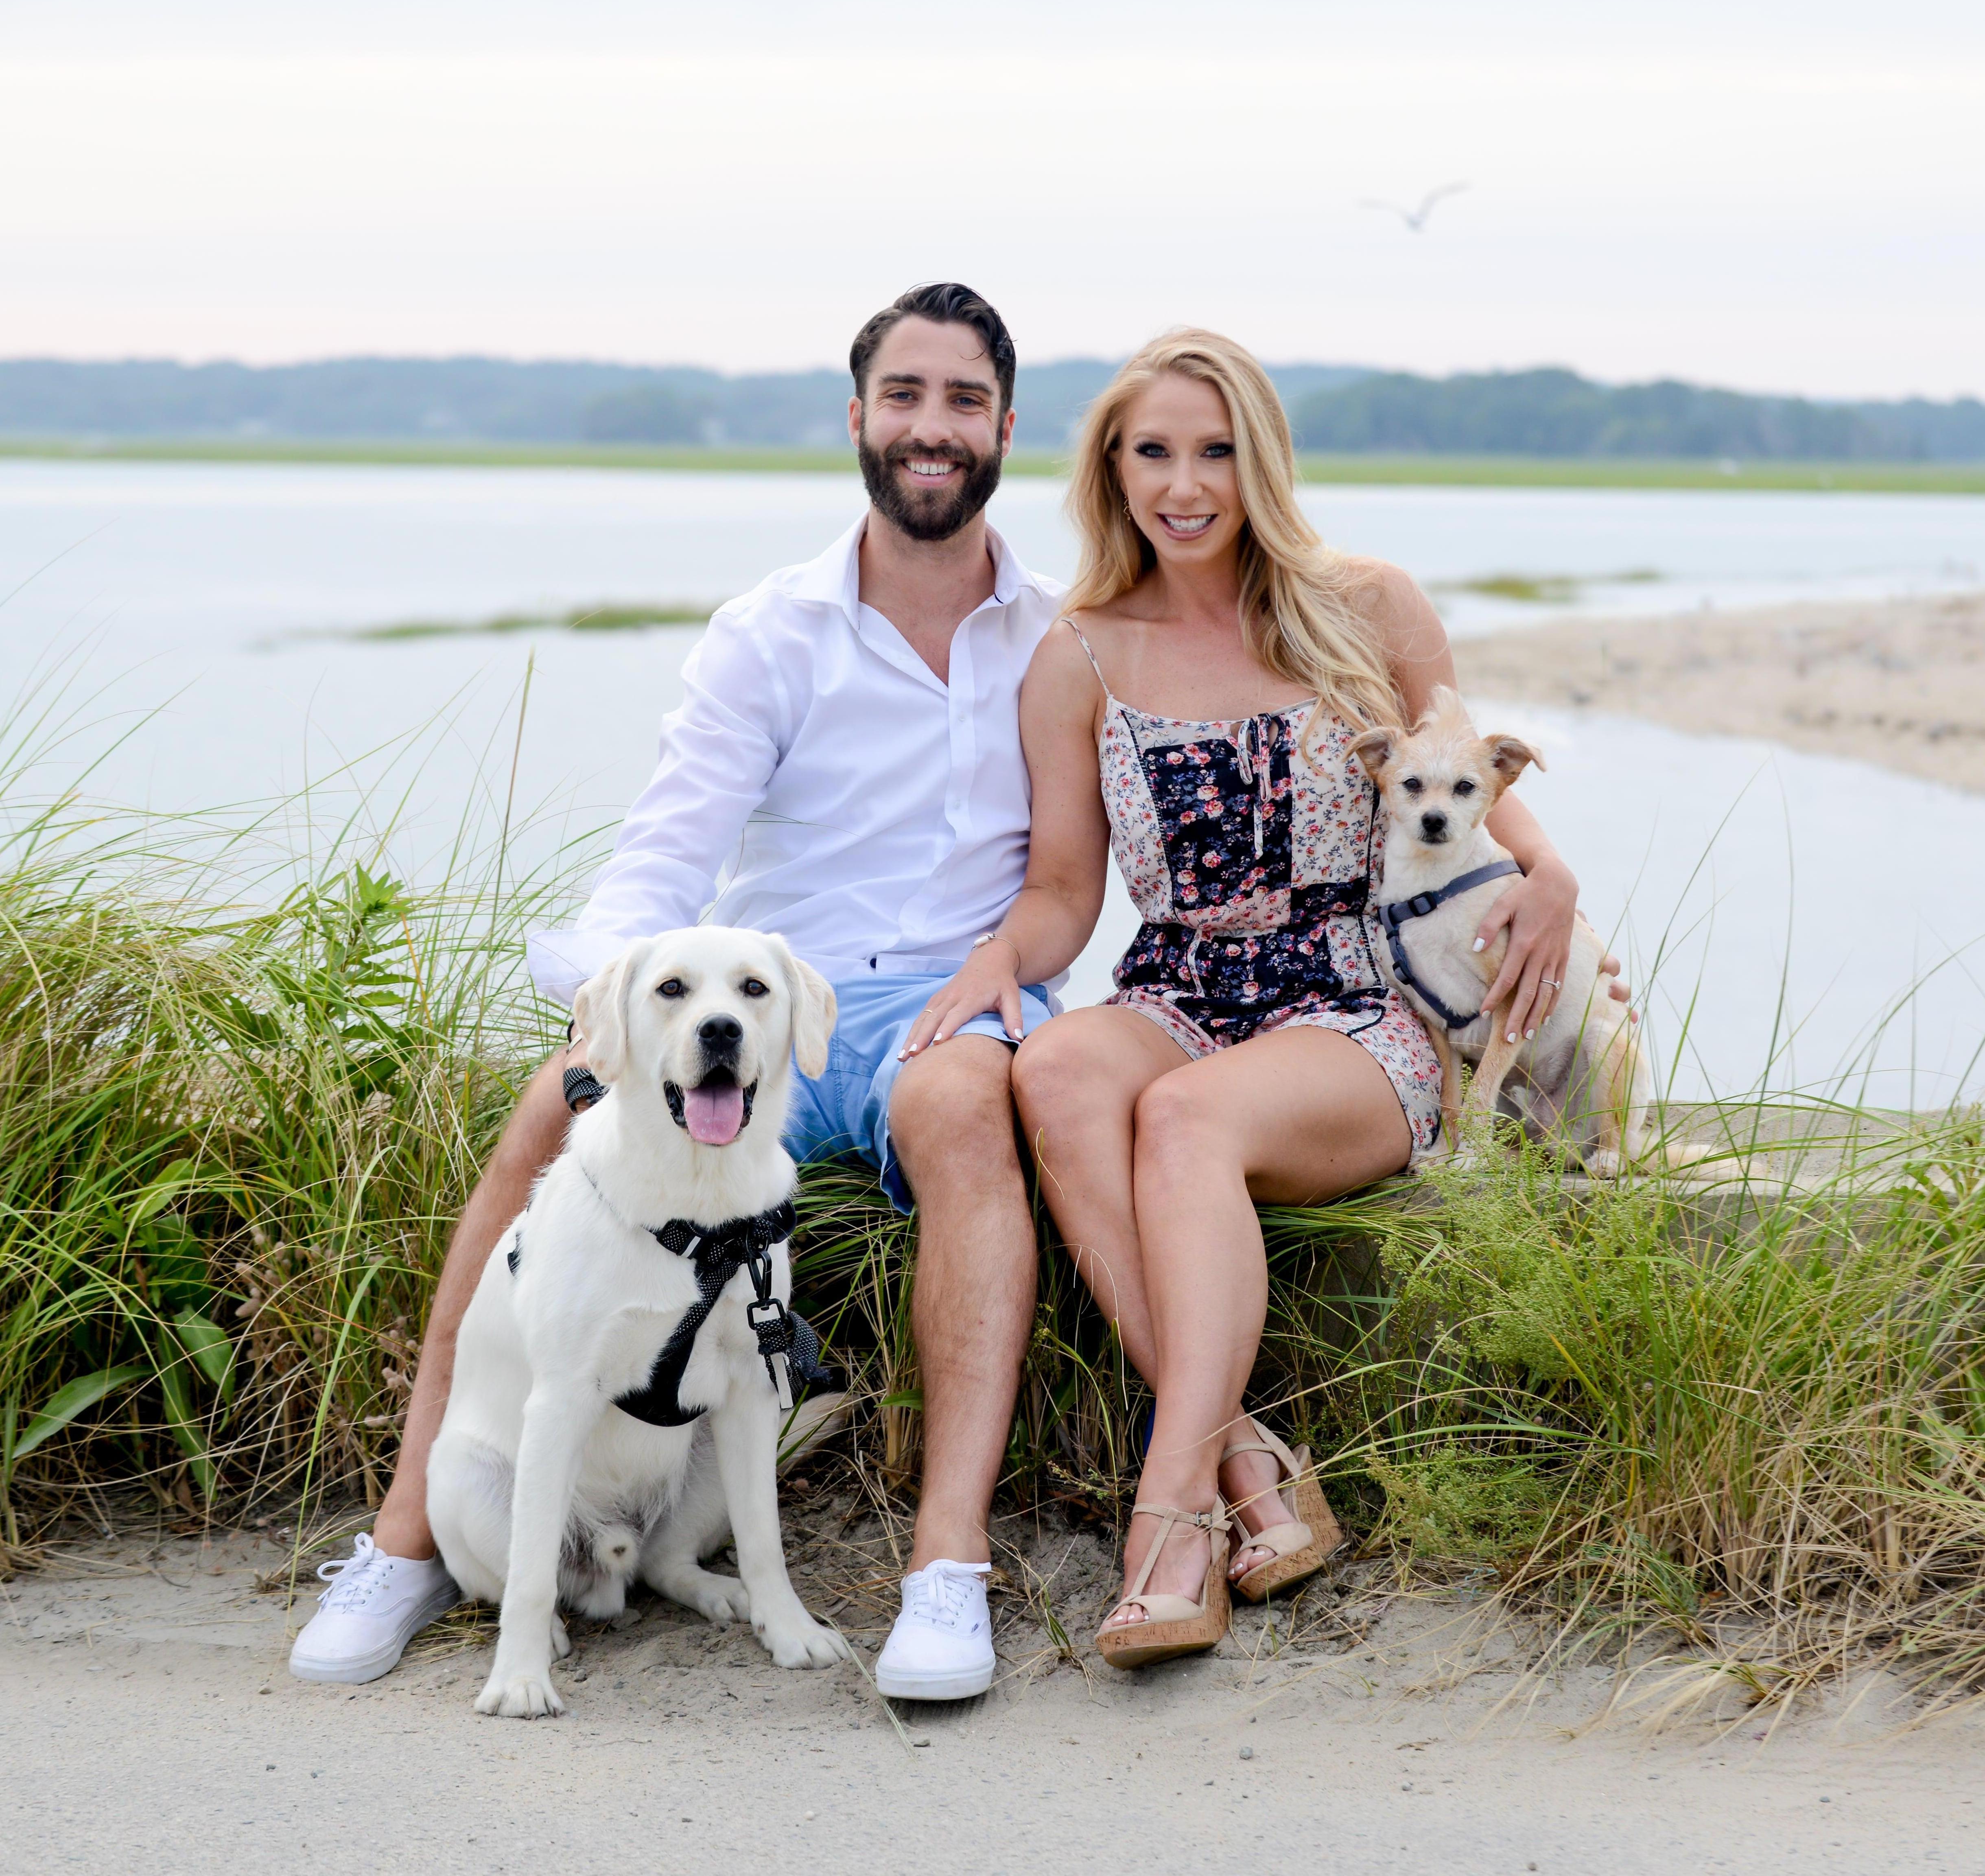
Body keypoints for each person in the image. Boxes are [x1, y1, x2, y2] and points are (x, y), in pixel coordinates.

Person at [290, 281, 1061, 1702]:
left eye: (965, 400)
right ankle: (408, 1536)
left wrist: (1005, 969)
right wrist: (604, 1018)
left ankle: (945, 1568)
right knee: (549, 1113)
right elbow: (666, 855)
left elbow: (1076, 873)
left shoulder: (1055, 638)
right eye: (905, 395)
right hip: (768, 1006)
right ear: (859, 417)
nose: (932, 427)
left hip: (952, 1004)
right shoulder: (770, 632)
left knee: (963, 1111)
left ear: (1007, 428)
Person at [899, 329, 1611, 1666]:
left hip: (1353, 1003)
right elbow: (1065, 889)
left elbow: (1471, 783)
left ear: (1262, 462)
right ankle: (1246, 1463)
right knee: (1056, 1070)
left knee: (1185, 1119)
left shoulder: (1368, 606)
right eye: (1153, 454)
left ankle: (1172, 1520)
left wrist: (1553, 874)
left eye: (1216, 453)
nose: (1186, 486)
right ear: (1112, 471)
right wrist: (1001, 956)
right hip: (1176, 985)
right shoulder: (1078, 653)